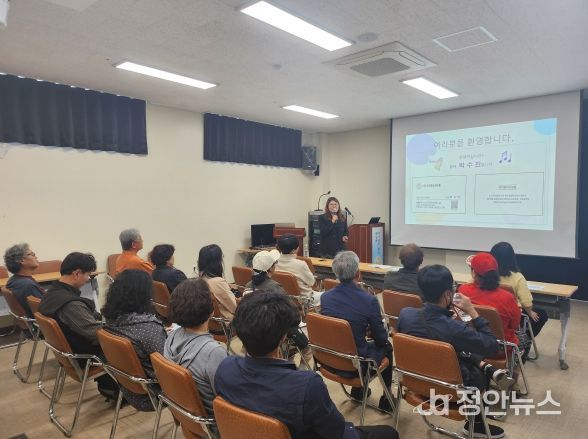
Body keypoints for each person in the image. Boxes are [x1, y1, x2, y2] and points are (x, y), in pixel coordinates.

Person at [215, 291, 399, 439]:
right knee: (389, 433)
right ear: (283, 337)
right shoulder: (306, 386)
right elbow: (337, 433)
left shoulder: (224, 369)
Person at [398, 264, 512, 439]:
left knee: (460, 352)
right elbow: (491, 346)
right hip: (452, 392)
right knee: (479, 371)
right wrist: (472, 311)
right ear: (447, 294)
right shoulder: (455, 328)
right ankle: (477, 425)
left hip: (416, 383)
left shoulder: (405, 314)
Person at [320, 251, 393, 411]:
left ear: (336, 274)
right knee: (387, 346)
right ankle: (387, 399)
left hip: (329, 360)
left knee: (354, 342)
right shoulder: (369, 300)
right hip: (356, 366)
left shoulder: (326, 297)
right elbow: (381, 339)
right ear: (358, 274)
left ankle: (358, 391)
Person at [39, 252, 118, 399]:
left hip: (71, 352)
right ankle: (134, 391)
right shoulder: (71, 305)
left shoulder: (51, 294)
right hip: (87, 356)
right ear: (76, 273)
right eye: (87, 275)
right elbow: (96, 335)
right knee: (132, 343)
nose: (88, 279)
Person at [102, 269, 167, 411]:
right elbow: (168, 366)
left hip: (128, 388)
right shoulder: (148, 327)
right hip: (155, 394)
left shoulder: (110, 321)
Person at [164, 278, 227, 418]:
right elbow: (231, 400)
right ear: (211, 310)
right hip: (217, 423)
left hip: (188, 417)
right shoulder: (214, 353)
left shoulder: (171, 337)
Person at [459, 253, 521, 349]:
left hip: (471, 344)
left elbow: (461, 317)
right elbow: (515, 325)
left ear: (474, 273)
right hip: (501, 349)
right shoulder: (508, 297)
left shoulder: (463, 290)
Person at [490, 242, 548, 336]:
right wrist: (530, 312)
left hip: (490, 314)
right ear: (512, 258)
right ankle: (524, 339)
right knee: (542, 314)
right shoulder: (518, 277)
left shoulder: (486, 274)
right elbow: (526, 303)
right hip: (510, 316)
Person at [275, 234, 320, 306]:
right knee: (328, 295)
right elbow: (311, 282)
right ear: (294, 250)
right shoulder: (300, 264)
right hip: (305, 300)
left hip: (285, 300)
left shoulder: (275, 263)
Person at [4, 243, 45, 317]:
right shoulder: (28, 285)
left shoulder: (14, 280)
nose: (36, 257)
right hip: (43, 321)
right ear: (22, 260)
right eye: (32, 254)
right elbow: (46, 309)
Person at [197, 244, 236, 320]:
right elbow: (234, 308)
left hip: (209, 322)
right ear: (217, 262)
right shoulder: (218, 282)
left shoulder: (199, 280)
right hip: (226, 322)